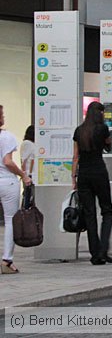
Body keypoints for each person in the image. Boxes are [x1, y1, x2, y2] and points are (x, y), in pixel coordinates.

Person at [72, 101, 112, 265]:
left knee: (89, 214)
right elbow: (108, 146)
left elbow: (75, 157)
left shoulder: (79, 130)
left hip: (83, 174)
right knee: (107, 211)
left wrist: (73, 178)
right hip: (99, 172)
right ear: (100, 114)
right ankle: (103, 249)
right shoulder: (102, 129)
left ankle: (95, 253)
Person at [1, 104, 32, 274]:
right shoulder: (6, 137)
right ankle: (7, 260)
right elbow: (7, 161)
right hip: (7, 182)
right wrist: (23, 174)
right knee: (10, 219)